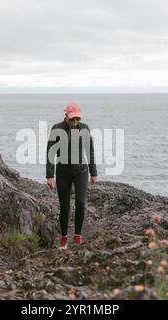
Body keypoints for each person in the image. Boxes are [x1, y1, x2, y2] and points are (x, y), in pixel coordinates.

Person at [46, 102, 98, 250]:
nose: (75, 122)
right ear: (66, 117)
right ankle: (63, 237)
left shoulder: (84, 128)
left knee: (80, 203)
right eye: (72, 119)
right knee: (65, 207)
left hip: (81, 171)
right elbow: (50, 153)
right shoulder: (57, 129)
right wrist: (50, 176)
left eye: (77, 119)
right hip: (63, 173)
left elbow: (90, 151)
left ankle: (78, 235)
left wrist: (93, 172)